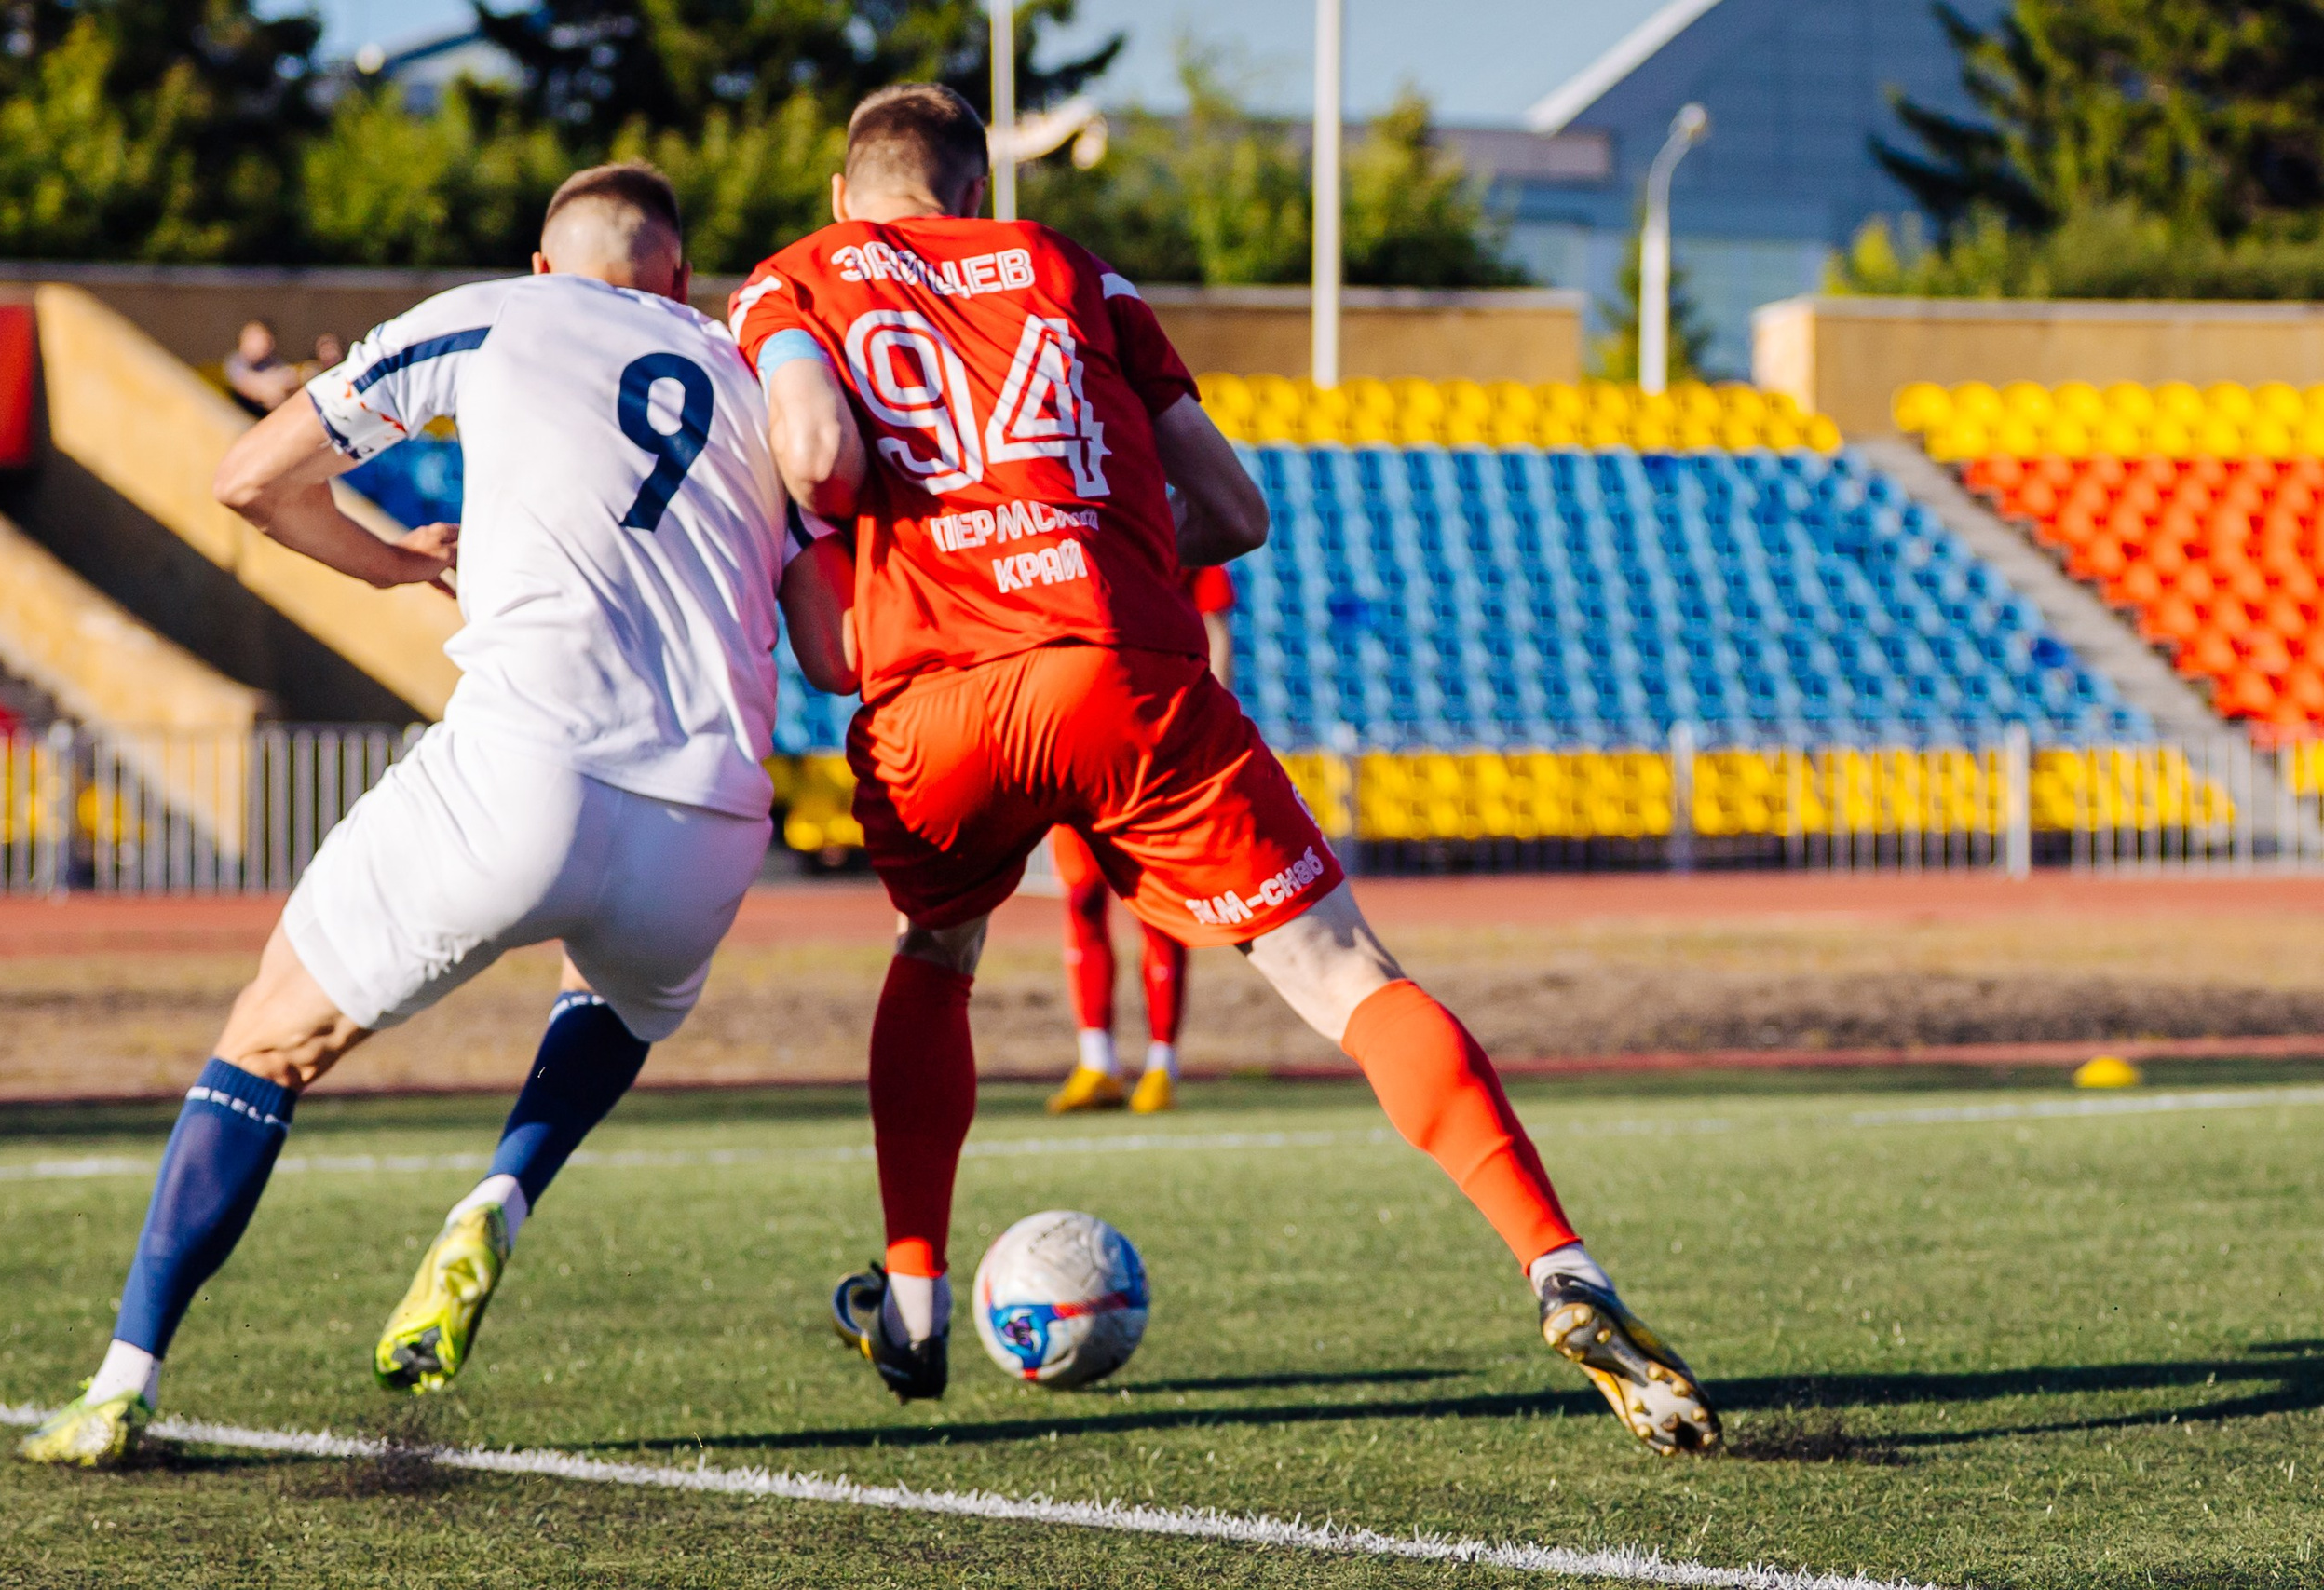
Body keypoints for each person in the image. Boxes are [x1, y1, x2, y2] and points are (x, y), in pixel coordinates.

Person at [732, 85, 1719, 1456]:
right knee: (1347, 974)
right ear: (971, 190)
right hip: (1122, 667)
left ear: (851, 193)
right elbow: (1237, 510)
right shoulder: (1073, 267)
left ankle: (909, 1302)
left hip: (940, 700)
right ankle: (1562, 1263)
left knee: (938, 952)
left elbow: (820, 455)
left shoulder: (798, 275)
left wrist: (868, 528)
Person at [19, 161, 852, 1468]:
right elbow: (835, 652)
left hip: (525, 770)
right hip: (709, 813)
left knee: (270, 1039)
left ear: (541, 268)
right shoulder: (759, 373)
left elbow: (251, 478)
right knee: (614, 990)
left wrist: (402, 561)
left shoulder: (496, 315)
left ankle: (123, 1376)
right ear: (682, 279)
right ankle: (505, 1188)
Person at [1045, 564, 1235, 1115]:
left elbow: (1217, 631)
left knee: (1157, 909)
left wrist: (1200, 729)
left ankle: (1161, 1064)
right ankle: (1097, 1060)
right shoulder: (1073, 521)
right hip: (1081, 739)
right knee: (1081, 898)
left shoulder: (1185, 527)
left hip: (1158, 750)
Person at [223, 319, 304, 415]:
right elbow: (256, 389)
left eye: (259, 339)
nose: (254, 343)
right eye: (251, 338)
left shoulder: (273, 363)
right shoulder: (235, 362)